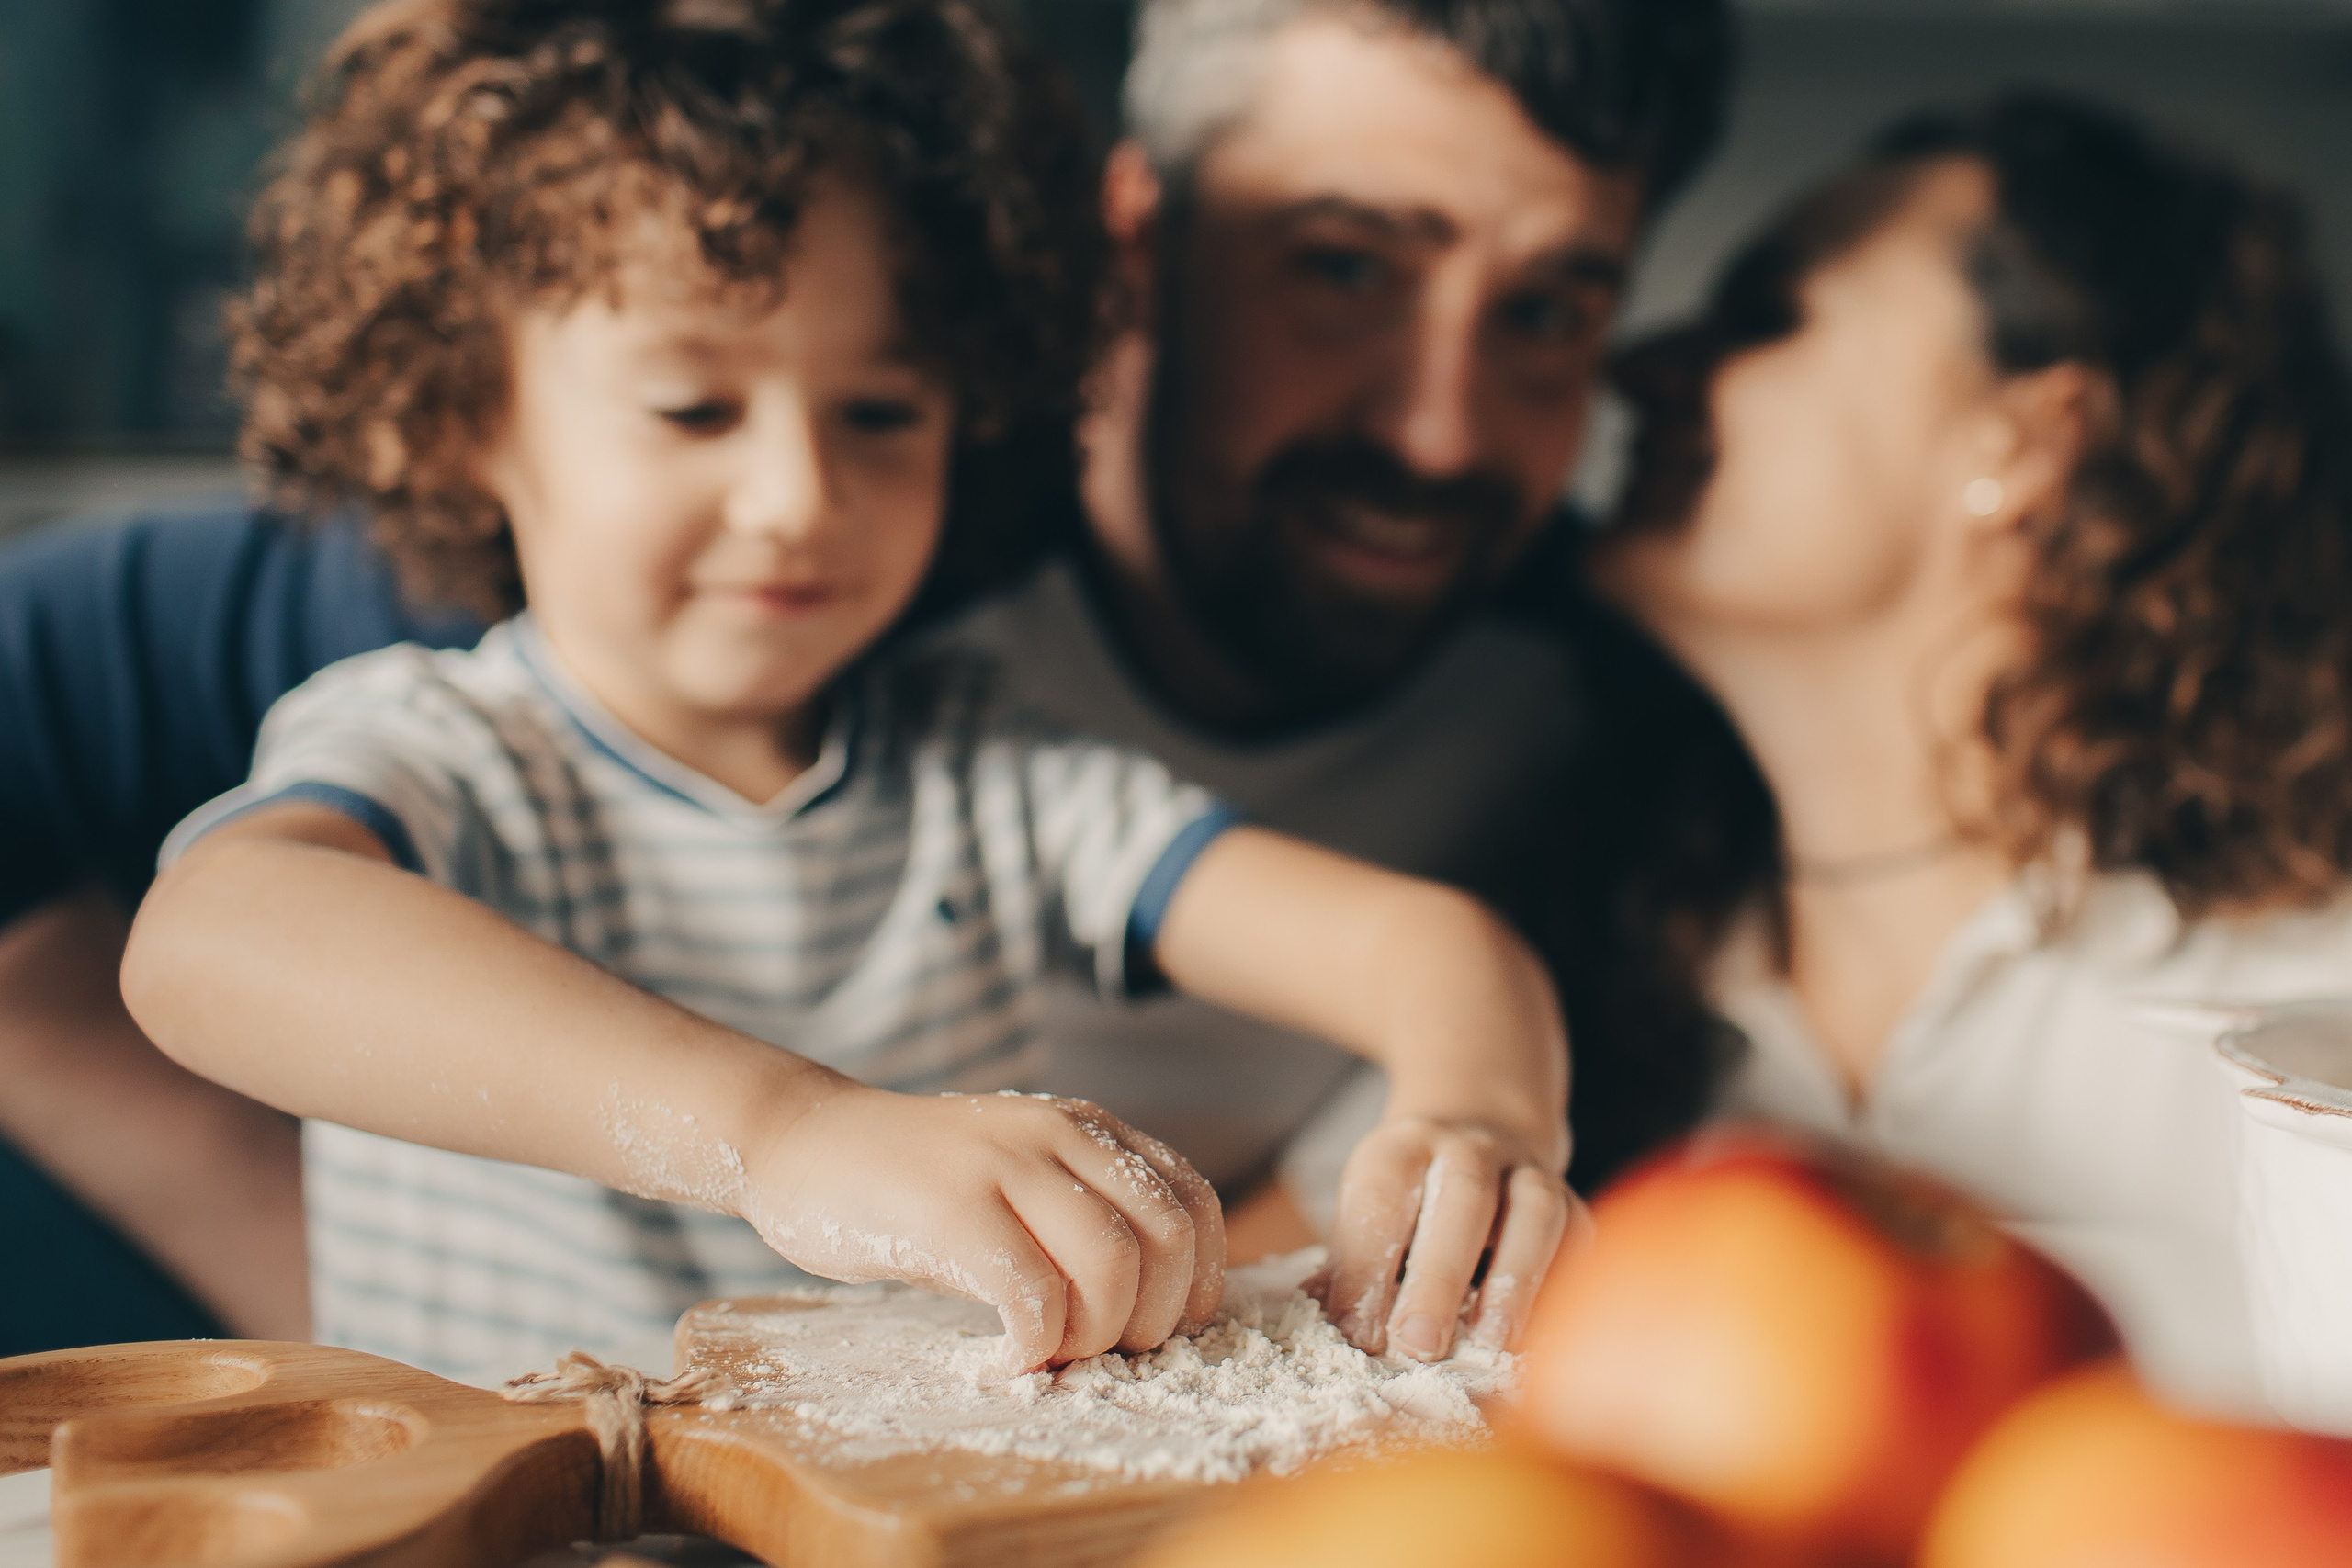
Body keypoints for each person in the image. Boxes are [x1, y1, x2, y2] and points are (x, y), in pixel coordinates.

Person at [0, 0, 1735, 1352]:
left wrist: (1478, 1105)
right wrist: (780, 1133)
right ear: (466, 418)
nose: (799, 496)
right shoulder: (444, 741)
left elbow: (1429, 945)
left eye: (881, 413)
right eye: (694, 409)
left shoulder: (997, 776)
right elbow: (212, 942)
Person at [1581, 90, 2352, 1416]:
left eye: (1767, 314)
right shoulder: (1569, 972)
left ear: (2028, 440)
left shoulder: (2315, 1010)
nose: (1635, 363)